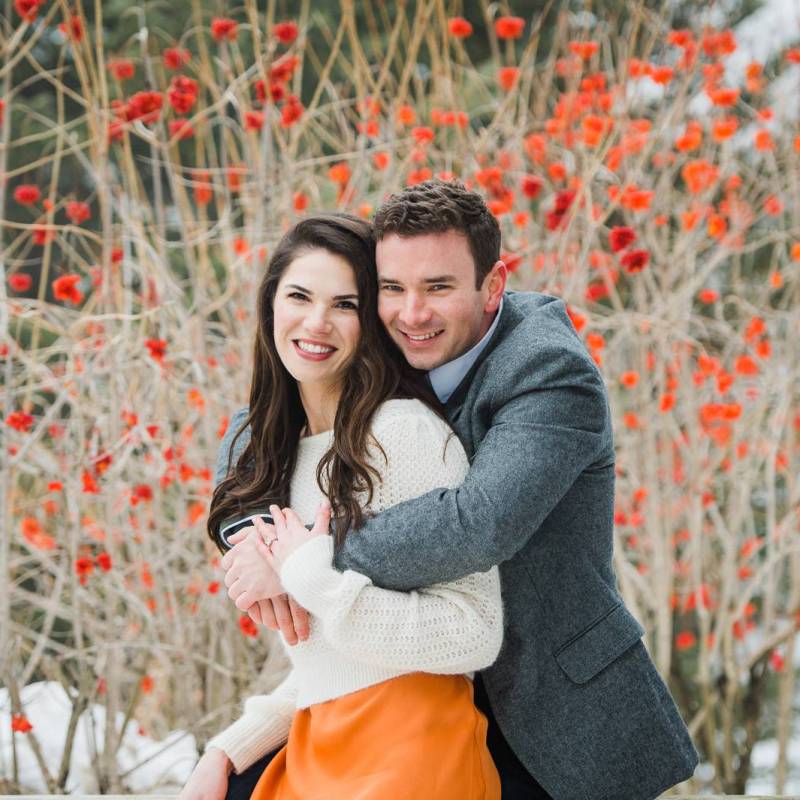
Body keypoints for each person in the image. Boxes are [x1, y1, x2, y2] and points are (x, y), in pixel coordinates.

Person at [223, 180, 700, 800]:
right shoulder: (389, 358)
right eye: (392, 288)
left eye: (440, 287)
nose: (412, 312)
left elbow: (478, 525)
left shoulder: (547, 370)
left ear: (492, 285)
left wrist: (299, 561)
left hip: (548, 710)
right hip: (403, 686)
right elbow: (257, 429)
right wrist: (247, 537)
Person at [179, 213, 504, 800]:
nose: (316, 322)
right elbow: (332, 664)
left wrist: (305, 571)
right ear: (270, 304)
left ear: (370, 323)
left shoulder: (403, 435)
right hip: (319, 740)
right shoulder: (281, 455)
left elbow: (473, 635)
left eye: (345, 304)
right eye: (299, 295)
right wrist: (229, 749)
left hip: (413, 750)